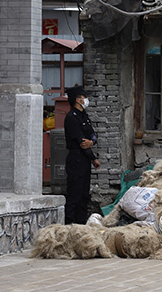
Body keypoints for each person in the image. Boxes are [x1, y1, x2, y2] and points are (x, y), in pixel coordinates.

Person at [63, 85, 99, 224]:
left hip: (84, 159)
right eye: (85, 97)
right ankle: (70, 225)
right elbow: (82, 143)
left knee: (84, 195)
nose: (87, 100)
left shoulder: (84, 116)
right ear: (78, 100)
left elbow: (92, 135)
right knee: (74, 195)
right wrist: (94, 158)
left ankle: (81, 224)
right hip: (76, 159)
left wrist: (93, 142)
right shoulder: (71, 118)